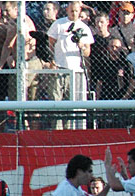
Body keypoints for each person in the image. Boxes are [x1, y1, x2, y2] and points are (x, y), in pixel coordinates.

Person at [47, 1, 93, 129]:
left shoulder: (84, 28)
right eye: (71, 11)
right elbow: (50, 44)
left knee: (72, 103)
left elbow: (88, 52)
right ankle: (57, 130)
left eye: (76, 11)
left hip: (75, 70)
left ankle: (69, 130)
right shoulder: (58, 24)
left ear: (80, 11)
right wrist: (52, 60)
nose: (74, 13)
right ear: (67, 10)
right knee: (56, 101)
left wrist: (82, 46)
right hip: (59, 68)